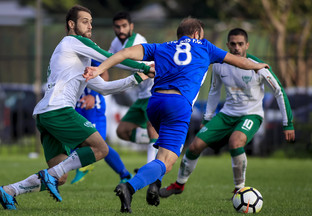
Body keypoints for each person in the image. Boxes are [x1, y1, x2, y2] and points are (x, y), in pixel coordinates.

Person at [83, 18, 269, 213]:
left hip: (154, 103)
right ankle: (130, 187)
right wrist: (259, 66)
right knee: (167, 161)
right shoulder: (205, 46)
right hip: (178, 105)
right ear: (197, 34)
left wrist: (99, 69)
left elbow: (125, 53)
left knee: (162, 154)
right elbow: (238, 61)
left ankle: (150, 182)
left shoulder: (161, 47)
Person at [0, 5, 153, 210]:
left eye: (91, 22)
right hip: (58, 110)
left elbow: (103, 88)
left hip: (46, 114)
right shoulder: (73, 41)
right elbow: (108, 57)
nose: (90, 26)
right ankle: (49, 175)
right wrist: (145, 66)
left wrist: (137, 77)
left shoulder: (77, 56)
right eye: (85, 21)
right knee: (101, 148)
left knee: (60, 177)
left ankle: (9, 191)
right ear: (71, 24)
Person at [159, 28, 295, 198]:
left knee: (236, 142)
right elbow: (214, 91)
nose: (236, 48)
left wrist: (287, 123)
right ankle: (179, 185)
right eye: (233, 44)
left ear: (247, 45)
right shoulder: (219, 65)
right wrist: (207, 118)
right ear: (227, 45)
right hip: (226, 115)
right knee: (194, 146)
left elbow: (279, 91)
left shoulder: (257, 66)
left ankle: (240, 189)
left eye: (240, 44)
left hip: (251, 115)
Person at [110, 12, 158, 164]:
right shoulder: (116, 43)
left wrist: (107, 61)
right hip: (142, 95)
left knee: (152, 128)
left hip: (154, 91)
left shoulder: (137, 40)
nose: (121, 30)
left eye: (124, 26)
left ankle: (151, 170)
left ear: (131, 26)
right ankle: (161, 142)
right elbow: (107, 59)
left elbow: (122, 59)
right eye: (117, 27)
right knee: (123, 131)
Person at [71, 67, 133, 184]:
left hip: (93, 106)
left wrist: (93, 95)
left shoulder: (88, 51)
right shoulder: (69, 54)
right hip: (76, 104)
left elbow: (104, 74)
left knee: (99, 144)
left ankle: (125, 174)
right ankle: (80, 166)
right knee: (71, 140)